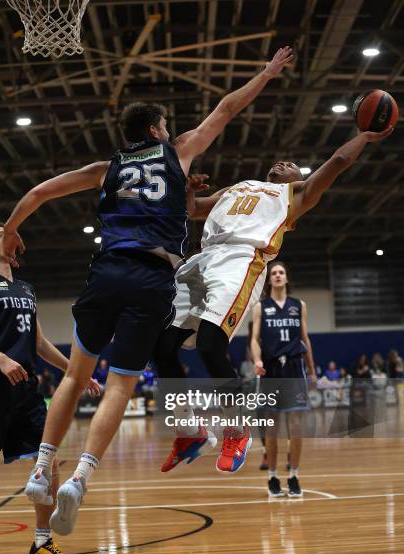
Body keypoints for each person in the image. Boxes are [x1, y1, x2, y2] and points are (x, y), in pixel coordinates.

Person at [2, 46, 294, 536]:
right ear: (158, 130)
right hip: (153, 278)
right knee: (121, 382)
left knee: (75, 378)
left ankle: (41, 469)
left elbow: (37, 194)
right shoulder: (177, 151)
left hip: (106, 271)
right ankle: (80, 477)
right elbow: (225, 108)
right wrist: (266, 73)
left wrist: (10, 231)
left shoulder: (107, 167)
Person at [153, 123, 394, 474]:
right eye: (281, 162)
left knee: (210, 345)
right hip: (202, 259)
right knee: (159, 347)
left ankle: (238, 429)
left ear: (299, 178)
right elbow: (192, 210)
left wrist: (367, 135)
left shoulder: (295, 196)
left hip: (241, 261)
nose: (283, 162)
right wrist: (189, 192)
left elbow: (340, 159)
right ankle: (190, 432)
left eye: (291, 164)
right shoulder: (240, 187)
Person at [0, 223, 99, 554]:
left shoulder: (25, 288)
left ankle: (42, 544)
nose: (5, 236)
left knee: (48, 458)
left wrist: (77, 372)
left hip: (24, 389)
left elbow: (39, 344)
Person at [251, 262, 315, 497]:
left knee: (296, 427)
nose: (277, 275)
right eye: (274, 273)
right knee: (272, 427)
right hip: (270, 370)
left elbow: (305, 339)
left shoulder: (299, 306)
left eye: (281, 272)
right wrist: (257, 360)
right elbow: (255, 340)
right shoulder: (260, 307)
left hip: (294, 369)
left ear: (286, 278)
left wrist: (312, 370)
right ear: (269, 280)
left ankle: (294, 476)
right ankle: (272, 477)